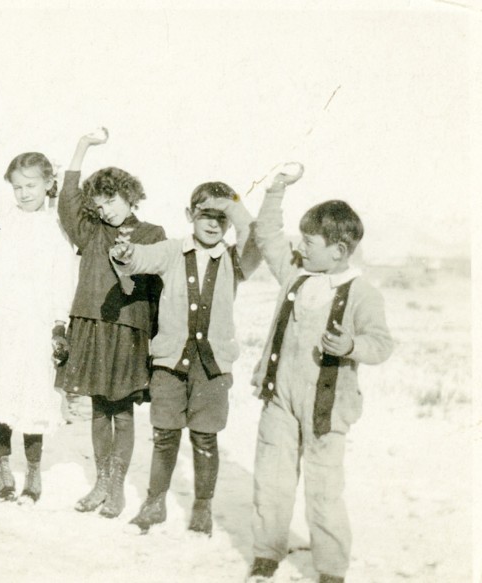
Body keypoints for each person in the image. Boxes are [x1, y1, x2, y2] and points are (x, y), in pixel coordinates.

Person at [245, 165, 393, 583]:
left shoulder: (362, 292)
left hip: (327, 409)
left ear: (339, 251)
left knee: (324, 493)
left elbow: (381, 343)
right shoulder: (296, 273)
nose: (300, 247)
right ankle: (265, 553)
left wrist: (351, 347)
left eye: (309, 242)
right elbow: (268, 236)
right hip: (280, 398)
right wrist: (275, 188)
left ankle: (330, 569)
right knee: (271, 483)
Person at [110, 176, 261, 534]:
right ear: (188, 215)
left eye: (221, 218)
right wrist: (126, 254)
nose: (213, 224)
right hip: (170, 364)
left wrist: (233, 206)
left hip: (213, 367)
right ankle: (154, 503)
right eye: (205, 214)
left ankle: (202, 507)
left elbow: (255, 238)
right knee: (164, 435)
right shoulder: (172, 250)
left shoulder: (235, 260)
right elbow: (139, 259)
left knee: (205, 438)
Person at [57, 129, 164, 518]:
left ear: (130, 196)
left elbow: (156, 293)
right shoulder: (90, 231)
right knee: (99, 408)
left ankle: (117, 486)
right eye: (99, 205)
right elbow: (68, 201)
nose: (107, 211)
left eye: (112, 201)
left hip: (128, 329)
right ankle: (100, 481)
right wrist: (81, 145)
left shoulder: (153, 234)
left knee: (122, 410)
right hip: (91, 323)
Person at [0, 151, 76, 503]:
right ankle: (3, 466)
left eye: (32, 186)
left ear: (48, 184)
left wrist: (59, 323)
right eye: (18, 186)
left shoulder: (57, 224)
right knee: (0, 391)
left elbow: (63, 277)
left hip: (35, 323)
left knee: (31, 394)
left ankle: (34, 470)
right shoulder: (6, 214)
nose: (24, 193)